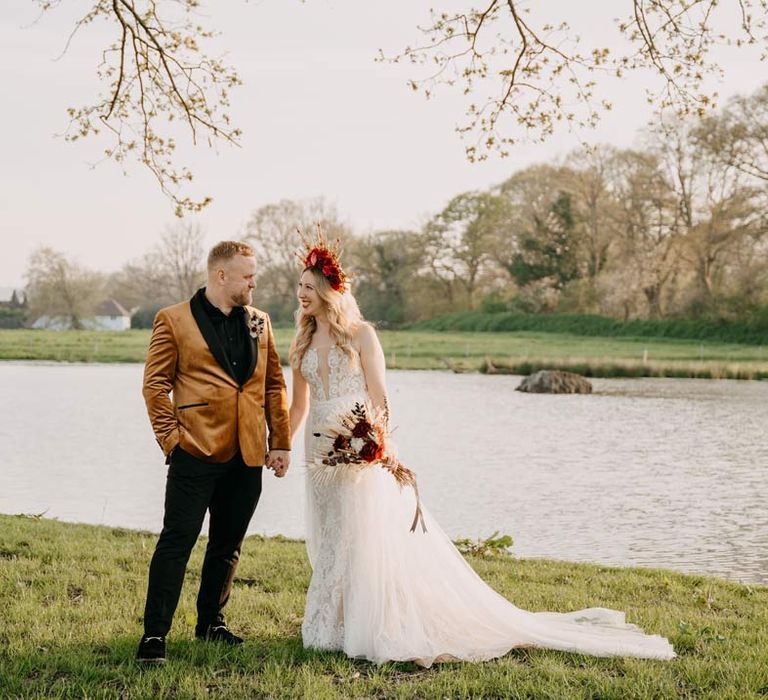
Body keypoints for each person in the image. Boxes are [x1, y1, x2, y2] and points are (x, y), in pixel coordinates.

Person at [287, 232, 675, 667]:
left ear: (328, 291)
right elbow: (299, 404)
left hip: (360, 444)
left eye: (308, 286)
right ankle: (331, 622)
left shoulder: (361, 335)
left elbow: (380, 396)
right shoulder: (301, 342)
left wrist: (378, 442)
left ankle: (369, 624)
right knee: (330, 533)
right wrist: (282, 447)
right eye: (298, 287)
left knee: (361, 535)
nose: (301, 294)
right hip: (318, 451)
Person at [137, 241, 290, 664]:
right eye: (247, 276)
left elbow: (273, 385)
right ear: (221, 276)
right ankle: (154, 635)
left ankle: (211, 623)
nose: (254, 282)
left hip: (247, 453)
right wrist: (172, 440)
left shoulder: (261, 322)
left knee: (228, 545)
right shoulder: (173, 319)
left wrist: (279, 442)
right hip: (194, 452)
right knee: (177, 542)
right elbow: (154, 386)